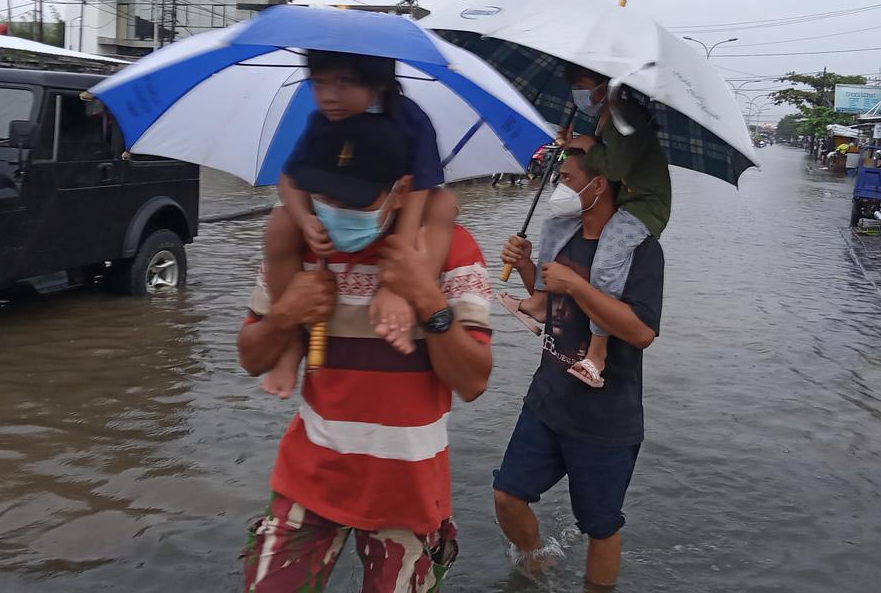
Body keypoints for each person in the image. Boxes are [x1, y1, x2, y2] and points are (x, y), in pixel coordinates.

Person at [238, 115, 494, 592]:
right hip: (309, 480)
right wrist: (284, 315)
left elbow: (474, 382)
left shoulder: (449, 250)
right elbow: (252, 357)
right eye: (325, 195)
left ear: (400, 191)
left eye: (352, 201)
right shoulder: (301, 242)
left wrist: (427, 300)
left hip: (410, 496)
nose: (333, 210)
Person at [495, 150, 664, 588]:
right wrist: (529, 264)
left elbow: (642, 332)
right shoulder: (564, 235)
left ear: (599, 185)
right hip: (547, 399)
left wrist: (577, 284)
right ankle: (536, 564)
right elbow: (550, 298)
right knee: (507, 495)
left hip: (605, 416)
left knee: (600, 527)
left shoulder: (640, 250)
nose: (559, 189)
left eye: (567, 178)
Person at [260, 50, 454, 399]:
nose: (328, 95)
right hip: (336, 201)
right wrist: (305, 221)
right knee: (279, 223)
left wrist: (397, 277)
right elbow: (288, 179)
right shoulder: (322, 121)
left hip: (393, 203)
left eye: (343, 82)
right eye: (318, 83)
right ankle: (290, 345)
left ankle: (407, 297)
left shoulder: (410, 120)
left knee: (445, 204)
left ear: (378, 83)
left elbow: (420, 189)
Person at [538, 64, 669, 388]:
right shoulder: (606, 116)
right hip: (624, 200)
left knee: (606, 266)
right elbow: (590, 160)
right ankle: (537, 301)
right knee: (553, 226)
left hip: (643, 207)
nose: (578, 95)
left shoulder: (625, 117)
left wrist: (588, 146)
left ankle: (598, 351)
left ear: (606, 85)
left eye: (583, 85)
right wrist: (570, 144)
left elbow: (613, 166)